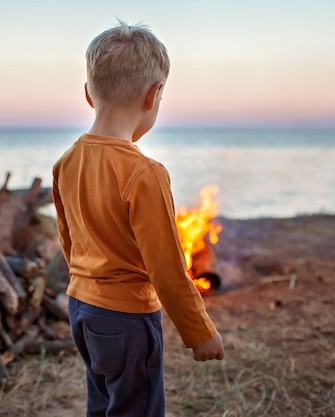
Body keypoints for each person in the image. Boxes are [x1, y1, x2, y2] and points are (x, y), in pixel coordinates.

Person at [52, 21, 225, 417]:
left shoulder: (66, 163)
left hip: (82, 309)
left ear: (88, 95)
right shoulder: (145, 173)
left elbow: (69, 242)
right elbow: (166, 267)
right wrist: (199, 332)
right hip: (127, 319)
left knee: (104, 402)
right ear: (154, 95)